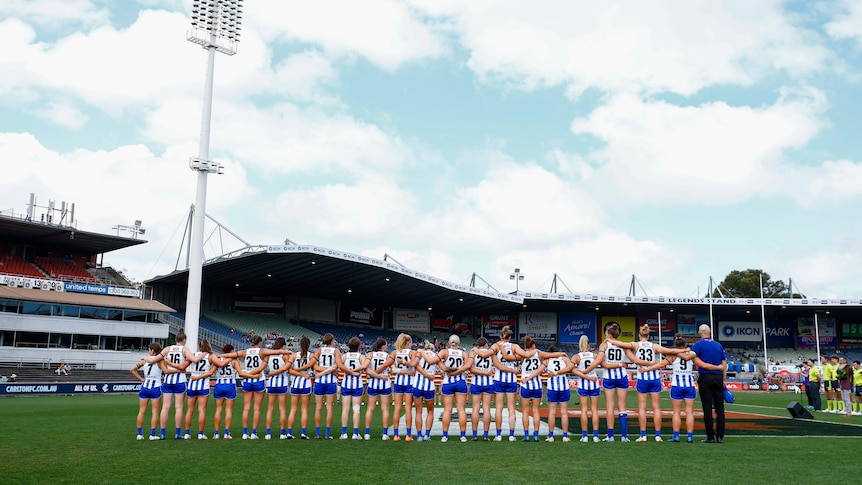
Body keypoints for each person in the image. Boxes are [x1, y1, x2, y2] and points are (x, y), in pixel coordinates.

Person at [608, 323, 689, 442]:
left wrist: (610, 340)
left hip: (642, 378)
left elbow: (621, 344)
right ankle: (657, 435)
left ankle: (643, 435)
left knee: (642, 408)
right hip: (654, 378)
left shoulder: (636, 345)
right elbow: (669, 350)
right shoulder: (654, 346)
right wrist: (685, 349)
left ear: (639, 335)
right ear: (648, 335)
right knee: (656, 408)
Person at [640, 334, 719, 443]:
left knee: (676, 412)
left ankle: (676, 436)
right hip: (689, 385)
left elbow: (660, 365)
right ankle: (690, 436)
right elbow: (704, 365)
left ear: (675, 345)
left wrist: (647, 369)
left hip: (677, 385)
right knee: (689, 412)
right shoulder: (692, 355)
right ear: (685, 344)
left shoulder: (673, 355)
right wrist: (718, 367)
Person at [473, 325, 522, 442]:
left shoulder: (495, 346)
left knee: (498, 408)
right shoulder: (515, 346)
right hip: (511, 380)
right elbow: (522, 357)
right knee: (511, 408)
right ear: (510, 337)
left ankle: (498, 435)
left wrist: (475, 349)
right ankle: (511, 435)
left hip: (499, 379)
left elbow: (485, 355)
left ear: (500, 336)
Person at [509, 336, 563, 442]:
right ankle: (536, 435)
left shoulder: (522, 355)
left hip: (525, 385)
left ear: (525, 346)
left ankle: (526, 435)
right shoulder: (539, 353)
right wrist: (562, 354)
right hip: (537, 386)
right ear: (533, 345)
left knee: (525, 412)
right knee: (536, 411)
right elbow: (551, 355)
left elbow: (508, 358)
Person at [219, 335, 269, 439]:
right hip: (259, 380)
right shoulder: (262, 351)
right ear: (259, 343)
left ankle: (245, 433)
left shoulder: (245, 352)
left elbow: (232, 355)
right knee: (257, 408)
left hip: (247, 380)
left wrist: (220, 356)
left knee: (246, 408)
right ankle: (254, 433)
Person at [690, 324, 727, 443]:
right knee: (720, 408)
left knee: (707, 408)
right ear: (710, 332)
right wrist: (723, 380)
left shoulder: (698, 345)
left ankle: (710, 436)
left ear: (700, 333)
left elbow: (696, 360)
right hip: (718, 377)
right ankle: (720, 436)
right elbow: (724, 365)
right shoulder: (718, 345)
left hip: (705, 376)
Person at [155, 332, 194, 440]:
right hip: (179, 380)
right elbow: (189, 362)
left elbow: (158, 358)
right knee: (179, 407)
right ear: (184, 340)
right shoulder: (185, 350)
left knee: (165, 407)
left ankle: (162, 433)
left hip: (168, 380)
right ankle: (177, 433)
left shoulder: (167, 349)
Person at [598, 322, 631, 442]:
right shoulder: (622, 344)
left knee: (610, 406)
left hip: (609, 377)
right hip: (622, 376)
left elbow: (602, 363)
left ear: (608, 334)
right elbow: (632, 359)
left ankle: (610, 435)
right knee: (622, 406)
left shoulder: (604, 345)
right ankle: (624, 436)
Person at [130, 343, 169, 440]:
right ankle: (153, 434)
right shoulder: (160, 361)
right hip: (155, 387)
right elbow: (166, 371)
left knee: (142, 411)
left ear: (152, 350)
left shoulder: (144, 361)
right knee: (155, 412)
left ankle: (139, 434)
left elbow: (132, 370)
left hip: (144, 386)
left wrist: (141, 379)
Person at [437, 335, 472, 442]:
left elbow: (436, 360)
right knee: (461, 410)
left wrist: (445, 369)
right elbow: (467, 367)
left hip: (448, 382)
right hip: (460, 382)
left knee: (447, 410)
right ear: (459, 343)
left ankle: (445, 435)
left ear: (448, 343)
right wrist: (457, 371)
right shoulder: (464, 353)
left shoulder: (444, 352)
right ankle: (462, 436)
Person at [210, 344, 248, 440]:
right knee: (228, 410)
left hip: (219, 385)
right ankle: (226, 433)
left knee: (218, 409)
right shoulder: (234, 361)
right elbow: (240, 373)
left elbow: (211, 371)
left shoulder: (218, 361)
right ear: (231, 351)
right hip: (230, 385)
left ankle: (216, 433)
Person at [571, 335, 602, 442]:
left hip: (583, 385)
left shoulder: (576, 357)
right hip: (594, 384)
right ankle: (595, 436)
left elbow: (572, 370)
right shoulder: (595, 356)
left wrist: (584, 375)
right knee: (594, 410)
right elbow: (603, 363)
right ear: (589, 344)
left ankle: (584, 436)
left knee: (583, 410)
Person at [183, 340, 216, 440]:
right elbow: (216, 366)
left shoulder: (193, 355)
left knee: (189, 410)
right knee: (201, 410)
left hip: (192, 385)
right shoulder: (210, 356)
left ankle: (187, 433)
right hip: (203, 385)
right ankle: (200, 433)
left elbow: (184, 365)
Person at [338, 337, 369, 440]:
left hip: (346, 384)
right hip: (357, 385)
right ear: (359, 346)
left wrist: (348, 371)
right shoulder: (361, 356)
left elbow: (339, 365)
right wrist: (354, 371)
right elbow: (365, 366)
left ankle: (344, 433)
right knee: (356, 409)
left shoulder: (344, 356)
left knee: (345, 409)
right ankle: (355, 433)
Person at [312, 333, 342, 439]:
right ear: (332, 340)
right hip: (330, 381)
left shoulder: (319, 350)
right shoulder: (336, 351)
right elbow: (337, 366)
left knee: (318, 408)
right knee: (329, 408)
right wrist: (329, 370)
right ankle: (327, 434)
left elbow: (314, 365)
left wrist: (322, 371)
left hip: (319, 381)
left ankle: (318, 433)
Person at [264, 337, 294, 440]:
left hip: (271, 382)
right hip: (282, 382)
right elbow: (288, 369)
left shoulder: (269, 354)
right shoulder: (284, 355)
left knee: (270, 409)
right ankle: (282, 433)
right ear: (283, 345)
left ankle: (268, 433)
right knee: (282, 409)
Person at [388, 333, 416, 441]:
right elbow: (413, 367)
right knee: (408, 408)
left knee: (397, 408)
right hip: (409, 383)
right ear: (408, 343)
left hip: (398, 382)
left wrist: (399, 371)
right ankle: (408, 435)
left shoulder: (395, 353)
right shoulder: (412, 353)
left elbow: (392, 369)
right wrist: (408, 373)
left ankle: (396, 435)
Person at [543, 345, 574, 442]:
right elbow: (570, 367)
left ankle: (551, 436)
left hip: (552, 388)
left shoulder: (547, 360)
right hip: (564, 387)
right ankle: (565, 436)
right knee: (564, 412)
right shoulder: (564, 359)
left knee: (552, 413)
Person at [287, 336, 316, 439]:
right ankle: (303, 433)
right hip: (306, 383)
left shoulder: (294, 355)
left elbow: (290, 370)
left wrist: (298, 372)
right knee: (304, 410)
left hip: (295, 383)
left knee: (293, 409)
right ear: (309, 345)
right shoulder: (311, 356)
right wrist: (304, 375)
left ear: (299, 344)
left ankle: (289, 432)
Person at [365, 338, 393, 440]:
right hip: (384, 384)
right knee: (385, 409)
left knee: (370, 409)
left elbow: (367, 370)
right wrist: (381, 376)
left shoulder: (370, 355)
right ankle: (385, 434)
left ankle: (367, 433)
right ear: (383, 346)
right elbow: (392, 369)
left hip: (373, 384)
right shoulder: (387, 356)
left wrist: (375, 375)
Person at [412, 341, 440, 441]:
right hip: (429, 386)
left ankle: (419, 435)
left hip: (417, 385)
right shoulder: (435, 355)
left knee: (418, 411)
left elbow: (415, 365)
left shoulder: (419, 354)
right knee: (430, 411)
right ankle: (427, 435)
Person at [469, 337, 495, 441]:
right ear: (486, 344)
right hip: (488, 382)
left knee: (475, 408)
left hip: (476, 382)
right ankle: (485, 435)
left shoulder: (473, 352)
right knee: (486, 409)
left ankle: (474, 435)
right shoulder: (490, 353)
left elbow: (470, 368)